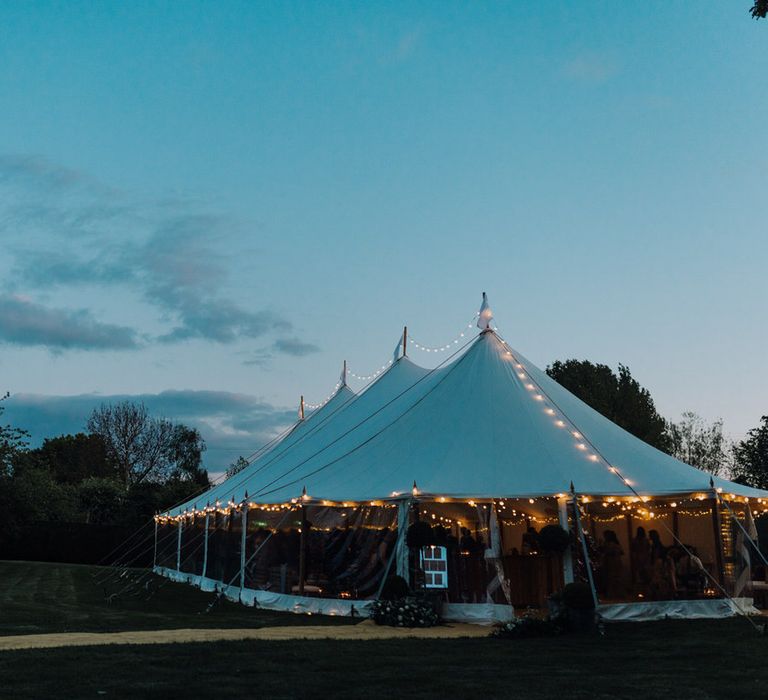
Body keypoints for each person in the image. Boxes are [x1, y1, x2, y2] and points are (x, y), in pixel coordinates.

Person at [600, 530, 625, 599]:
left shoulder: (612, 544)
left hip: (613, 563)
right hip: (611, 563)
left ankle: (614, 594)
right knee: (612, 579)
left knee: (614, 579)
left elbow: (619, 552)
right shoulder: (611, 544)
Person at [630, 526, 651, 593]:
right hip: (638, 559)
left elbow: (648, 550)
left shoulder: (646, 540)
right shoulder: (635, 540)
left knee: (645, 575)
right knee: (639, 575)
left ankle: (645, 590)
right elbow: (633, 550)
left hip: (645, 559)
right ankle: (640, 591)